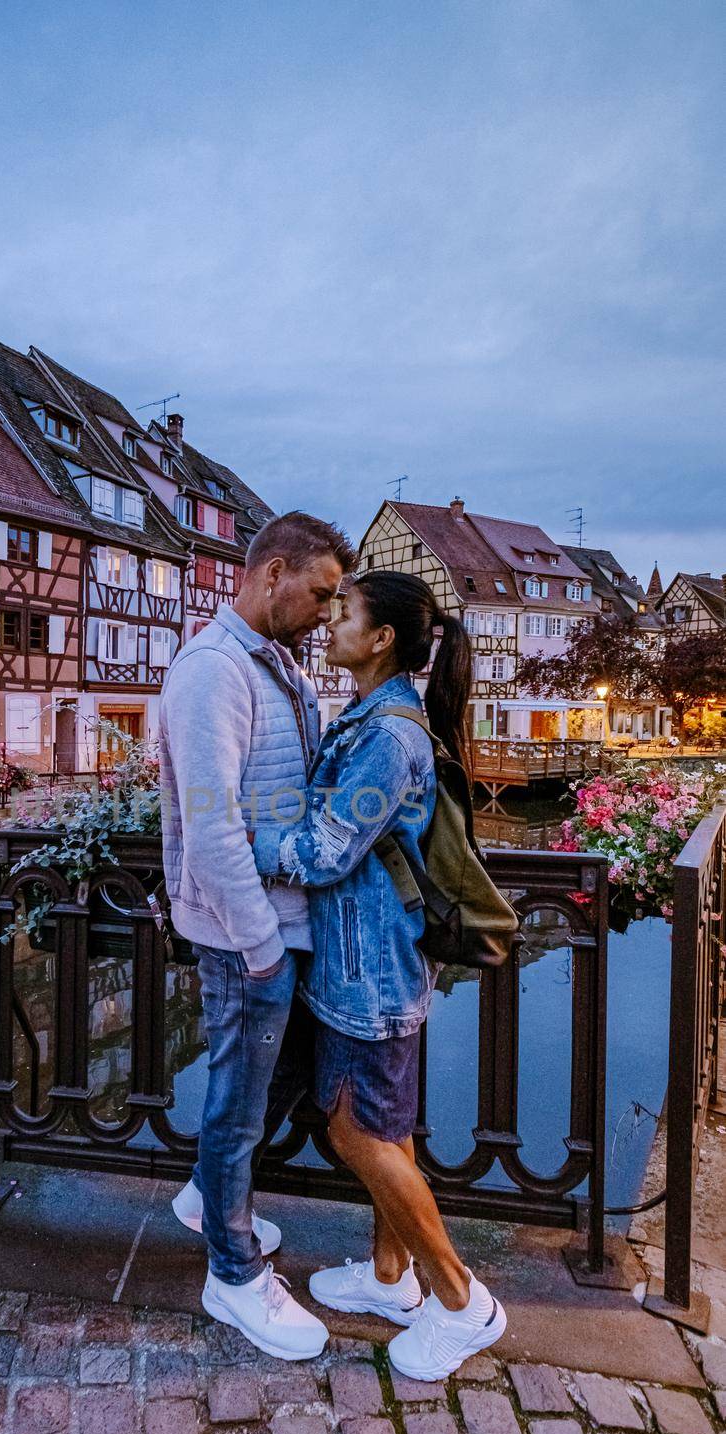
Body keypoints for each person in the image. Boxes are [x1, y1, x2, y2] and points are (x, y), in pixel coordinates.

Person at [251, 570, 507, 1381]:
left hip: (370, 975)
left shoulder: (386, 737)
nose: (330, 622)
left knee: (356, 1132)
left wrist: (231, 840)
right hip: (363, 962)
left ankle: (462, 1302)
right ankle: (391, 1279)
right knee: (383, 1128)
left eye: (346, 613)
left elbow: (326, 851)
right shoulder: (369, 717)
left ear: (383, 638)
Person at [159, 511, 356, 1359]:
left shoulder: (275, 666)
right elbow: (209, 828)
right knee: (240, 1108)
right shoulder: (211, 671)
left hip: (283, 926)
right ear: (271, 573)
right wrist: (259, 944)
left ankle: (208, 1198)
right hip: (248, 935)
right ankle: (232, 1274)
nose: (325, 611)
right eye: (318, 593)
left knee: (286, 1080)